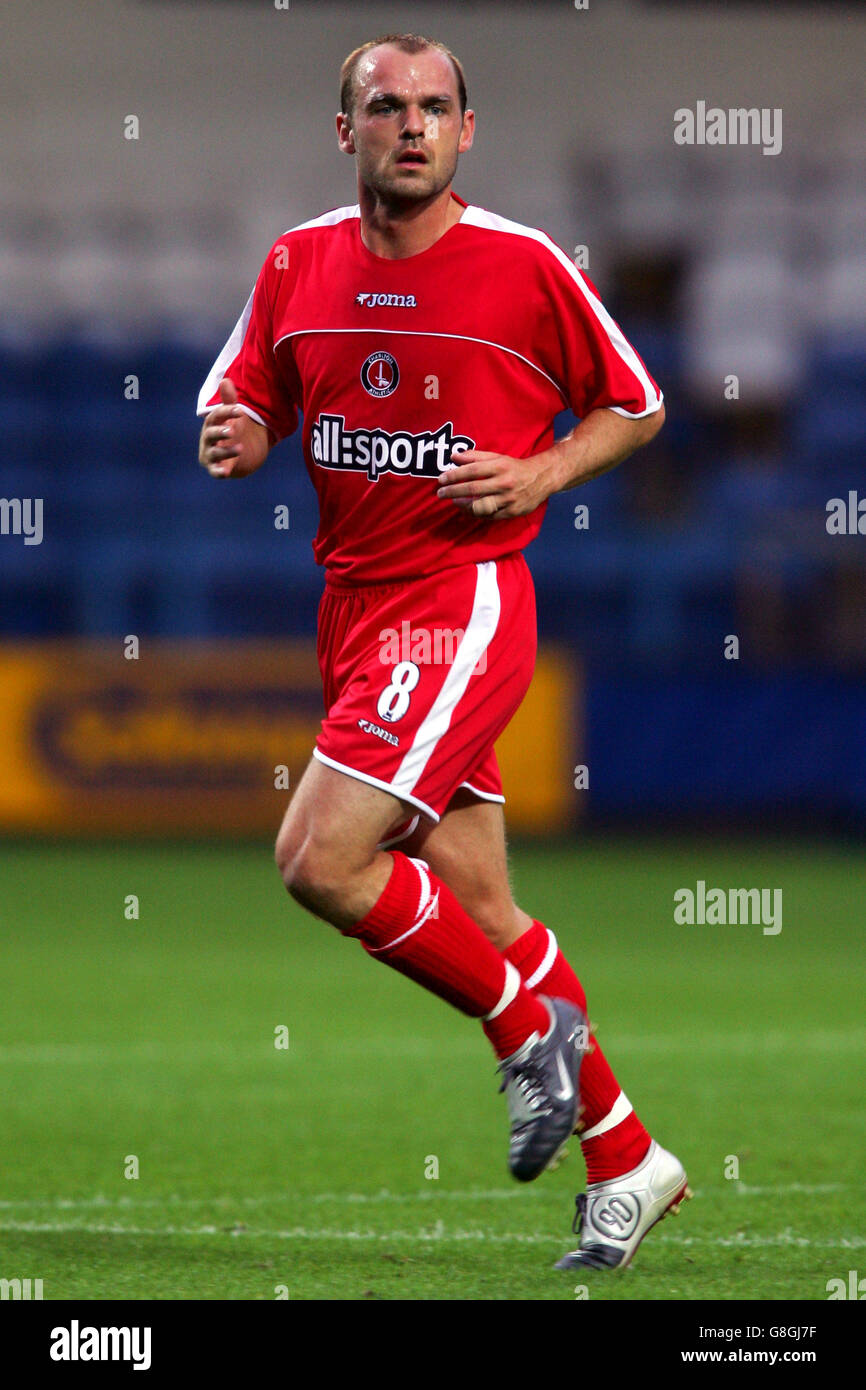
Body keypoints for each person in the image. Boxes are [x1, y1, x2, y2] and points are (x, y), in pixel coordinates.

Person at [197, 31, 689, 1271]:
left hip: (458, 602)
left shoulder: (523, 267)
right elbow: (244, 393)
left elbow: (634, 402)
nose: (408, 124)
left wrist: (539, 469)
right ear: (345, 129)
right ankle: (628, 1159)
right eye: (384, 106)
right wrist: (242, 433)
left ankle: (528, 1037)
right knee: (481, 906)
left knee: (316, 857)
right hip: (354, 612)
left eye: (432, 107)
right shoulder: (296, 260)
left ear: (464, 132)